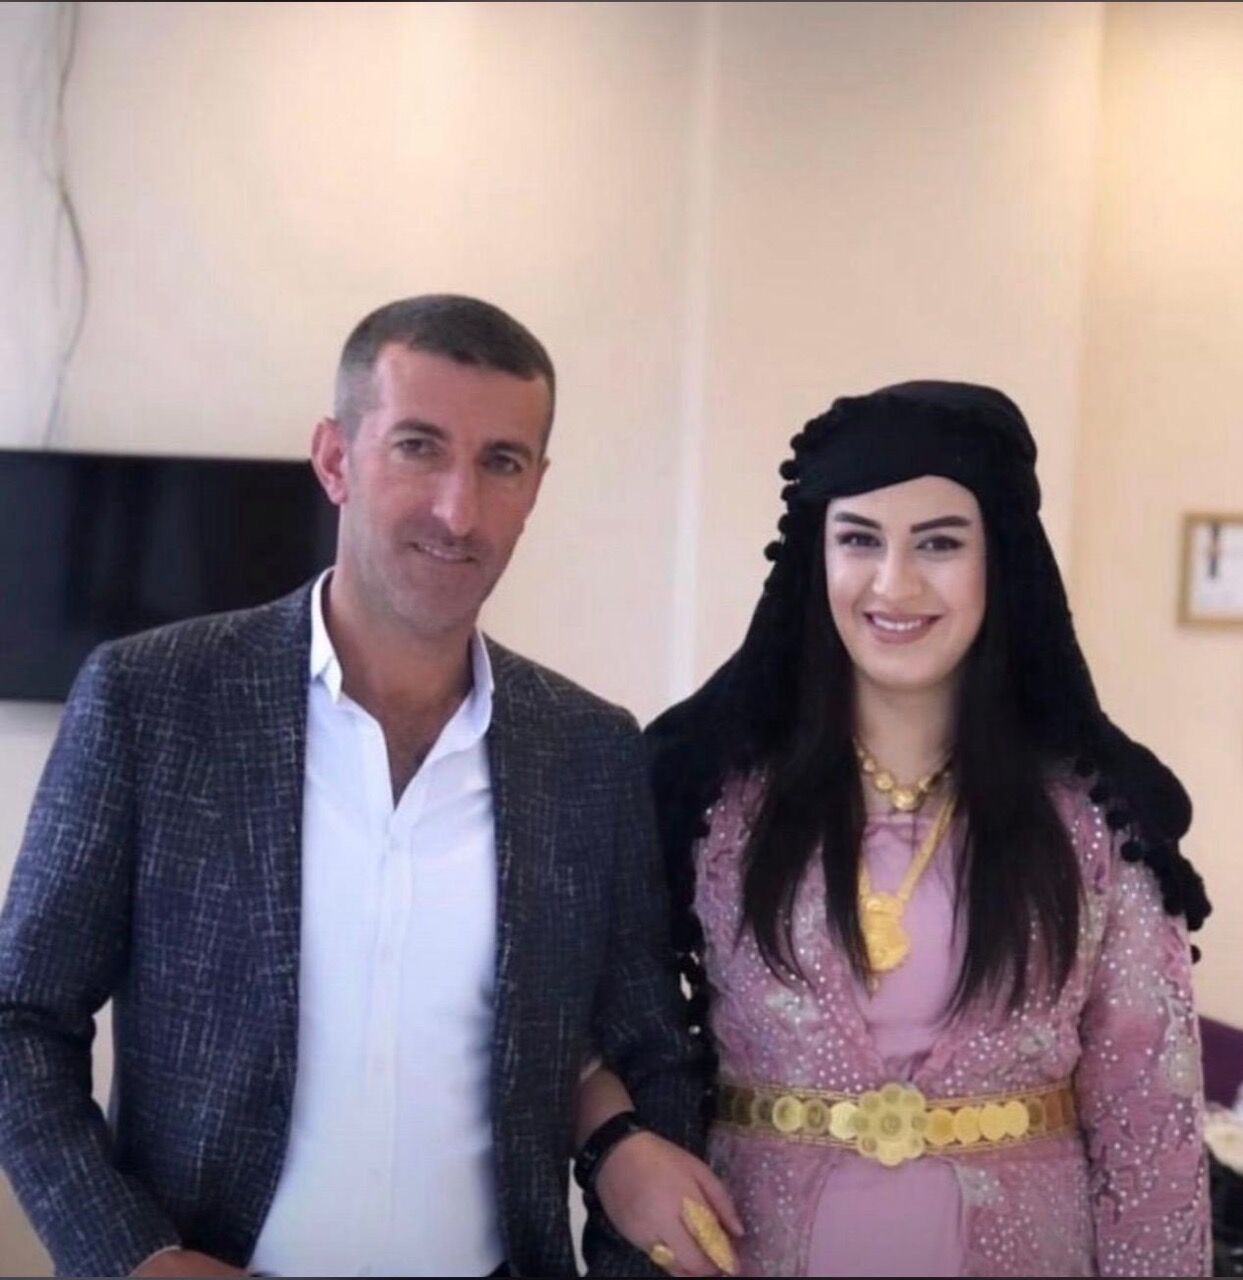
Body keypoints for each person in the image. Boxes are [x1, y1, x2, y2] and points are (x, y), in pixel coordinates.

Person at [0, 295, 707, 1278]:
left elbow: (647, 1050)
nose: (458, 509)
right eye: (419, 447)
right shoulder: (152, 701)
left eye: (501, 462)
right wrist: (135, 1259)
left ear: (535, 488)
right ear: (335, 458)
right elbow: (20, 1020)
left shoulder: (589, 750)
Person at [578, 381, 1212, 1276]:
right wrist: (611, 1146)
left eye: (939, 543)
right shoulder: (707, 802)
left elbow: (1150, 1132)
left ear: (1002, 559)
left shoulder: (1098, 821)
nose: (893, 583)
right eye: (859, 540)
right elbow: (576, 1014)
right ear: (817, 560)